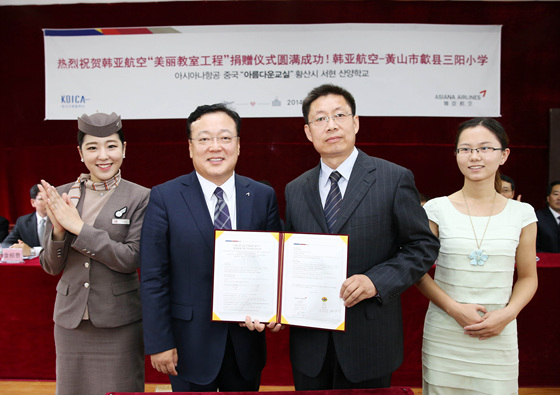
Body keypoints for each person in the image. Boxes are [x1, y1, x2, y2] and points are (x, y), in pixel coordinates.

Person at [284, 84, 439, 390]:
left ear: (355, 123)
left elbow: (422, 246)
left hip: (369, 339)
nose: (331, 124)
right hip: (310, 341)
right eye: (320, 119)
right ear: (307, 132)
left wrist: (376, 281)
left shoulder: (393, 178)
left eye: (339, 115)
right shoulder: (295, 189)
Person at [140, 103, 282, 392]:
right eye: (204, 139)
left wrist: (276, 311)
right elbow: (154, 277)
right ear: (191, 147)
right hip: (187, 343)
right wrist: (160, 342)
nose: (215, 147)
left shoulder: (261, 195)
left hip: (246, 342)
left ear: (239, 145)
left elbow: (274, 266)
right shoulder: (164, 197)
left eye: (225, 138)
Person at [416, 118, 538, 394]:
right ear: (456, 154)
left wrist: (508, 314)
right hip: (446, 332)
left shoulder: (523, 214)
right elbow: (418, 272)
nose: (474, 156)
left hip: (500, 331)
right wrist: (454, 309)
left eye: (485, 148)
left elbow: (529, 278)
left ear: (504, 154)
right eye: (465, 149)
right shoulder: (436, 210)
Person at [39, 112, 149, 395]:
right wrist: (59, 231)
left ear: (124, 149)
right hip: (70, 321)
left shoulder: (140, 197)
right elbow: (51, 266)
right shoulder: (63, 196)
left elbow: (130, 258)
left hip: (119, 321)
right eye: (92, 147)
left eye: (111, 146)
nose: (103, 155)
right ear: (80, 153)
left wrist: (78, 226)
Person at [2, 184, 48, 255]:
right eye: (42, 199)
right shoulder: (23, 222)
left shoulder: (61, 220)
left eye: (49, 198)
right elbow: (5, 244)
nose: (47, 202)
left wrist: (32, 251)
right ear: (33, 202)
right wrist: (18, 248)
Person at [535, 180, 560, 253]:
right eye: (556, 194)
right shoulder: (538, 217)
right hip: (545, 262)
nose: (559, 198)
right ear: (548, 198)